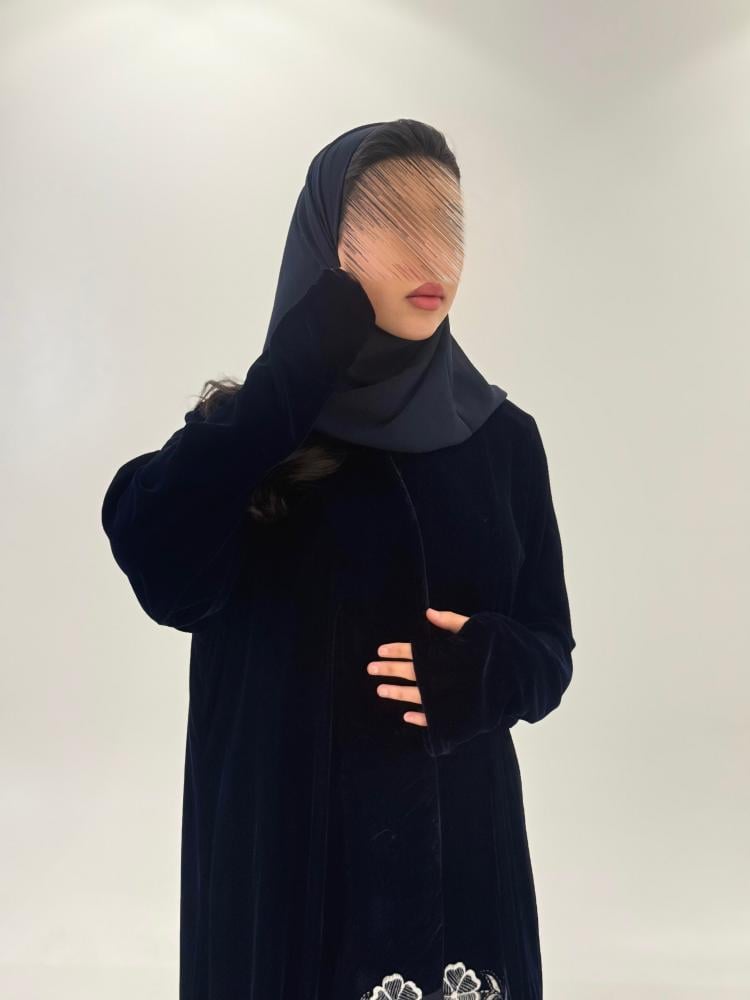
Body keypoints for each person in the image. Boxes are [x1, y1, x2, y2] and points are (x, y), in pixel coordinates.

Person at [101, 118, 576, 1000]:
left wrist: (485, 670)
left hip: (457, 868)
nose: (432, 252)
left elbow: (552, 647)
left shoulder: (504, 440)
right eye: (394, 219)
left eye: (449, 222)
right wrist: (299, 365)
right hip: (290, 879)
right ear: (328, 244)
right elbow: (161, 569)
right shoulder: (251, 437)